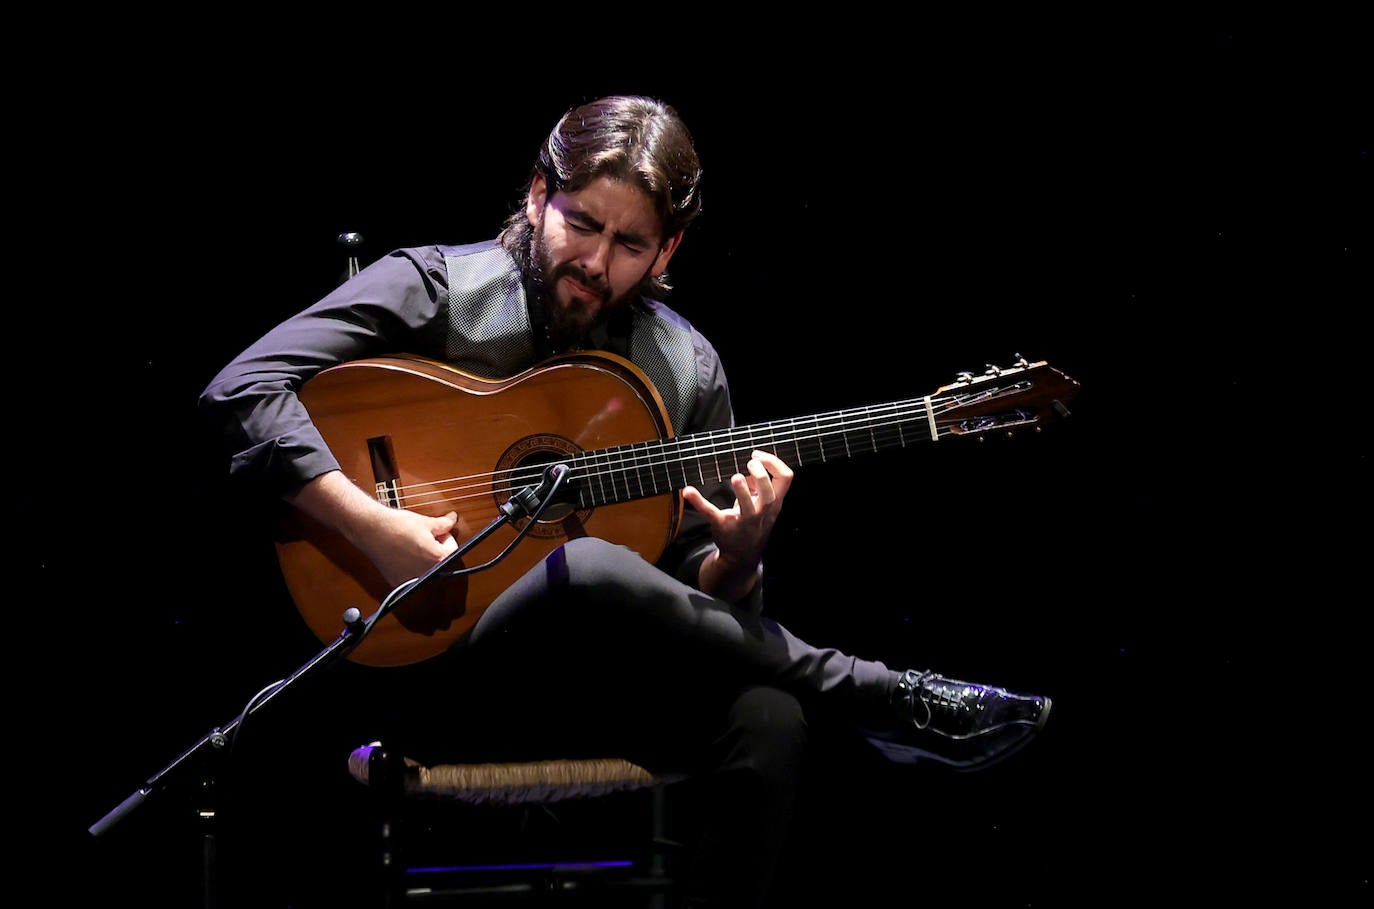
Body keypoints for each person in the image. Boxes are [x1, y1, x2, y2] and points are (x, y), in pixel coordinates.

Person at [199, 94, 1052, 908]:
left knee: (771, 720)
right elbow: (242, 388)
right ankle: (878, 695)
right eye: (581, 222)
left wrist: (740, 553)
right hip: (432, 673)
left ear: (669, 250)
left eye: (630, 243)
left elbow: (702, 614)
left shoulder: (686, 372)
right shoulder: (433, 288)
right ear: (539, 196)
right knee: (589, 565)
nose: (596, 263)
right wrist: (372, 525)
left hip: (598, 692)